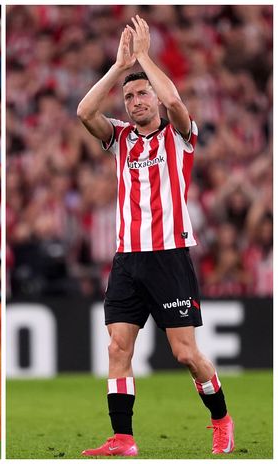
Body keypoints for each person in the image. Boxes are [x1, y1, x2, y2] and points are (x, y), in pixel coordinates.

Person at [76, 16, 233, 456]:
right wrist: (119, 67)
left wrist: (144, 56)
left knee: (185, 354)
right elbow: (84, 112)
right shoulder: (121, 138)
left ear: (155, 100)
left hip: (169, 255)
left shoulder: (181, 136)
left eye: (142, 93)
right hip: (128, 259)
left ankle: (220, 417)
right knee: (117, 346)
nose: (135, 101)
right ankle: (123, 439)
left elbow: (176, 100)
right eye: (129, 96)